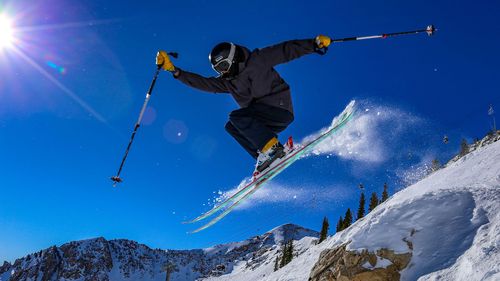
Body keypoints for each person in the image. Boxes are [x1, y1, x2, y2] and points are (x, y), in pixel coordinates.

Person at [156, 35, 332, 175]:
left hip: (279, 108)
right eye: (218, 70)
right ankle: (265, 158)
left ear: (232, 58)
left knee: (237, 116)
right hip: (263, 120)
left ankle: (273, 149)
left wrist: (314, 44)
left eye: (224, 65)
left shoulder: (257, 59)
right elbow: (205, 83)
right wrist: (175, 71)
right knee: (231, 126)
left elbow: (286, 50)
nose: (223, 72)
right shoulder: (228, 82)